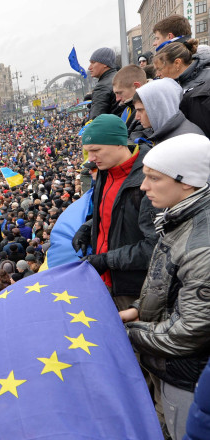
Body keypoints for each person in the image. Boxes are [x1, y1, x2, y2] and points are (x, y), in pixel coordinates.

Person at [121, 133, 210, 440]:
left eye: (154, 178)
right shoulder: (180, 216)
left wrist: (126, 333)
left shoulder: (203, 245)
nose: (144, 187)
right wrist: (135, 312)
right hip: (170, 365)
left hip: (188, 376)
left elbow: (189, 333)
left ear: (187, 182)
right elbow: (168, 287)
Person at [73, 114, 158, 310]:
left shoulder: (148, 180)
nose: (91, 159)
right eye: (87, 151)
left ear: (119, 143)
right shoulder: (105, 169)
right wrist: (88, 228)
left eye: (95, 150)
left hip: (133, 289)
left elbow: (155, 246)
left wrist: (106, 260)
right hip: (105, 280)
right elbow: (112, 213)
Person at [152, 39, 210, 138]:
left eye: (159, 69)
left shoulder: (206, 80)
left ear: (177, 63)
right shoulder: (178, 83)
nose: (157, 74)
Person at [132, 77, 205, 145]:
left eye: (140, 110)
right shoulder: (169, 134)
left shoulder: (185, 140)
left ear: (158, 107)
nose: (136, 117)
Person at [111, 65, 149, 141]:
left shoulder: (147, 107)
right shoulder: (128, 109)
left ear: (136, 86)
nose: (117, 99)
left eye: (120, 93)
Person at [87, 47, 119, 120]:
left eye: (93, 62)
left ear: (105, 64)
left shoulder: (102, 87)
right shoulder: (117, 77)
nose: (89, 67)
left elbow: (95, 121)